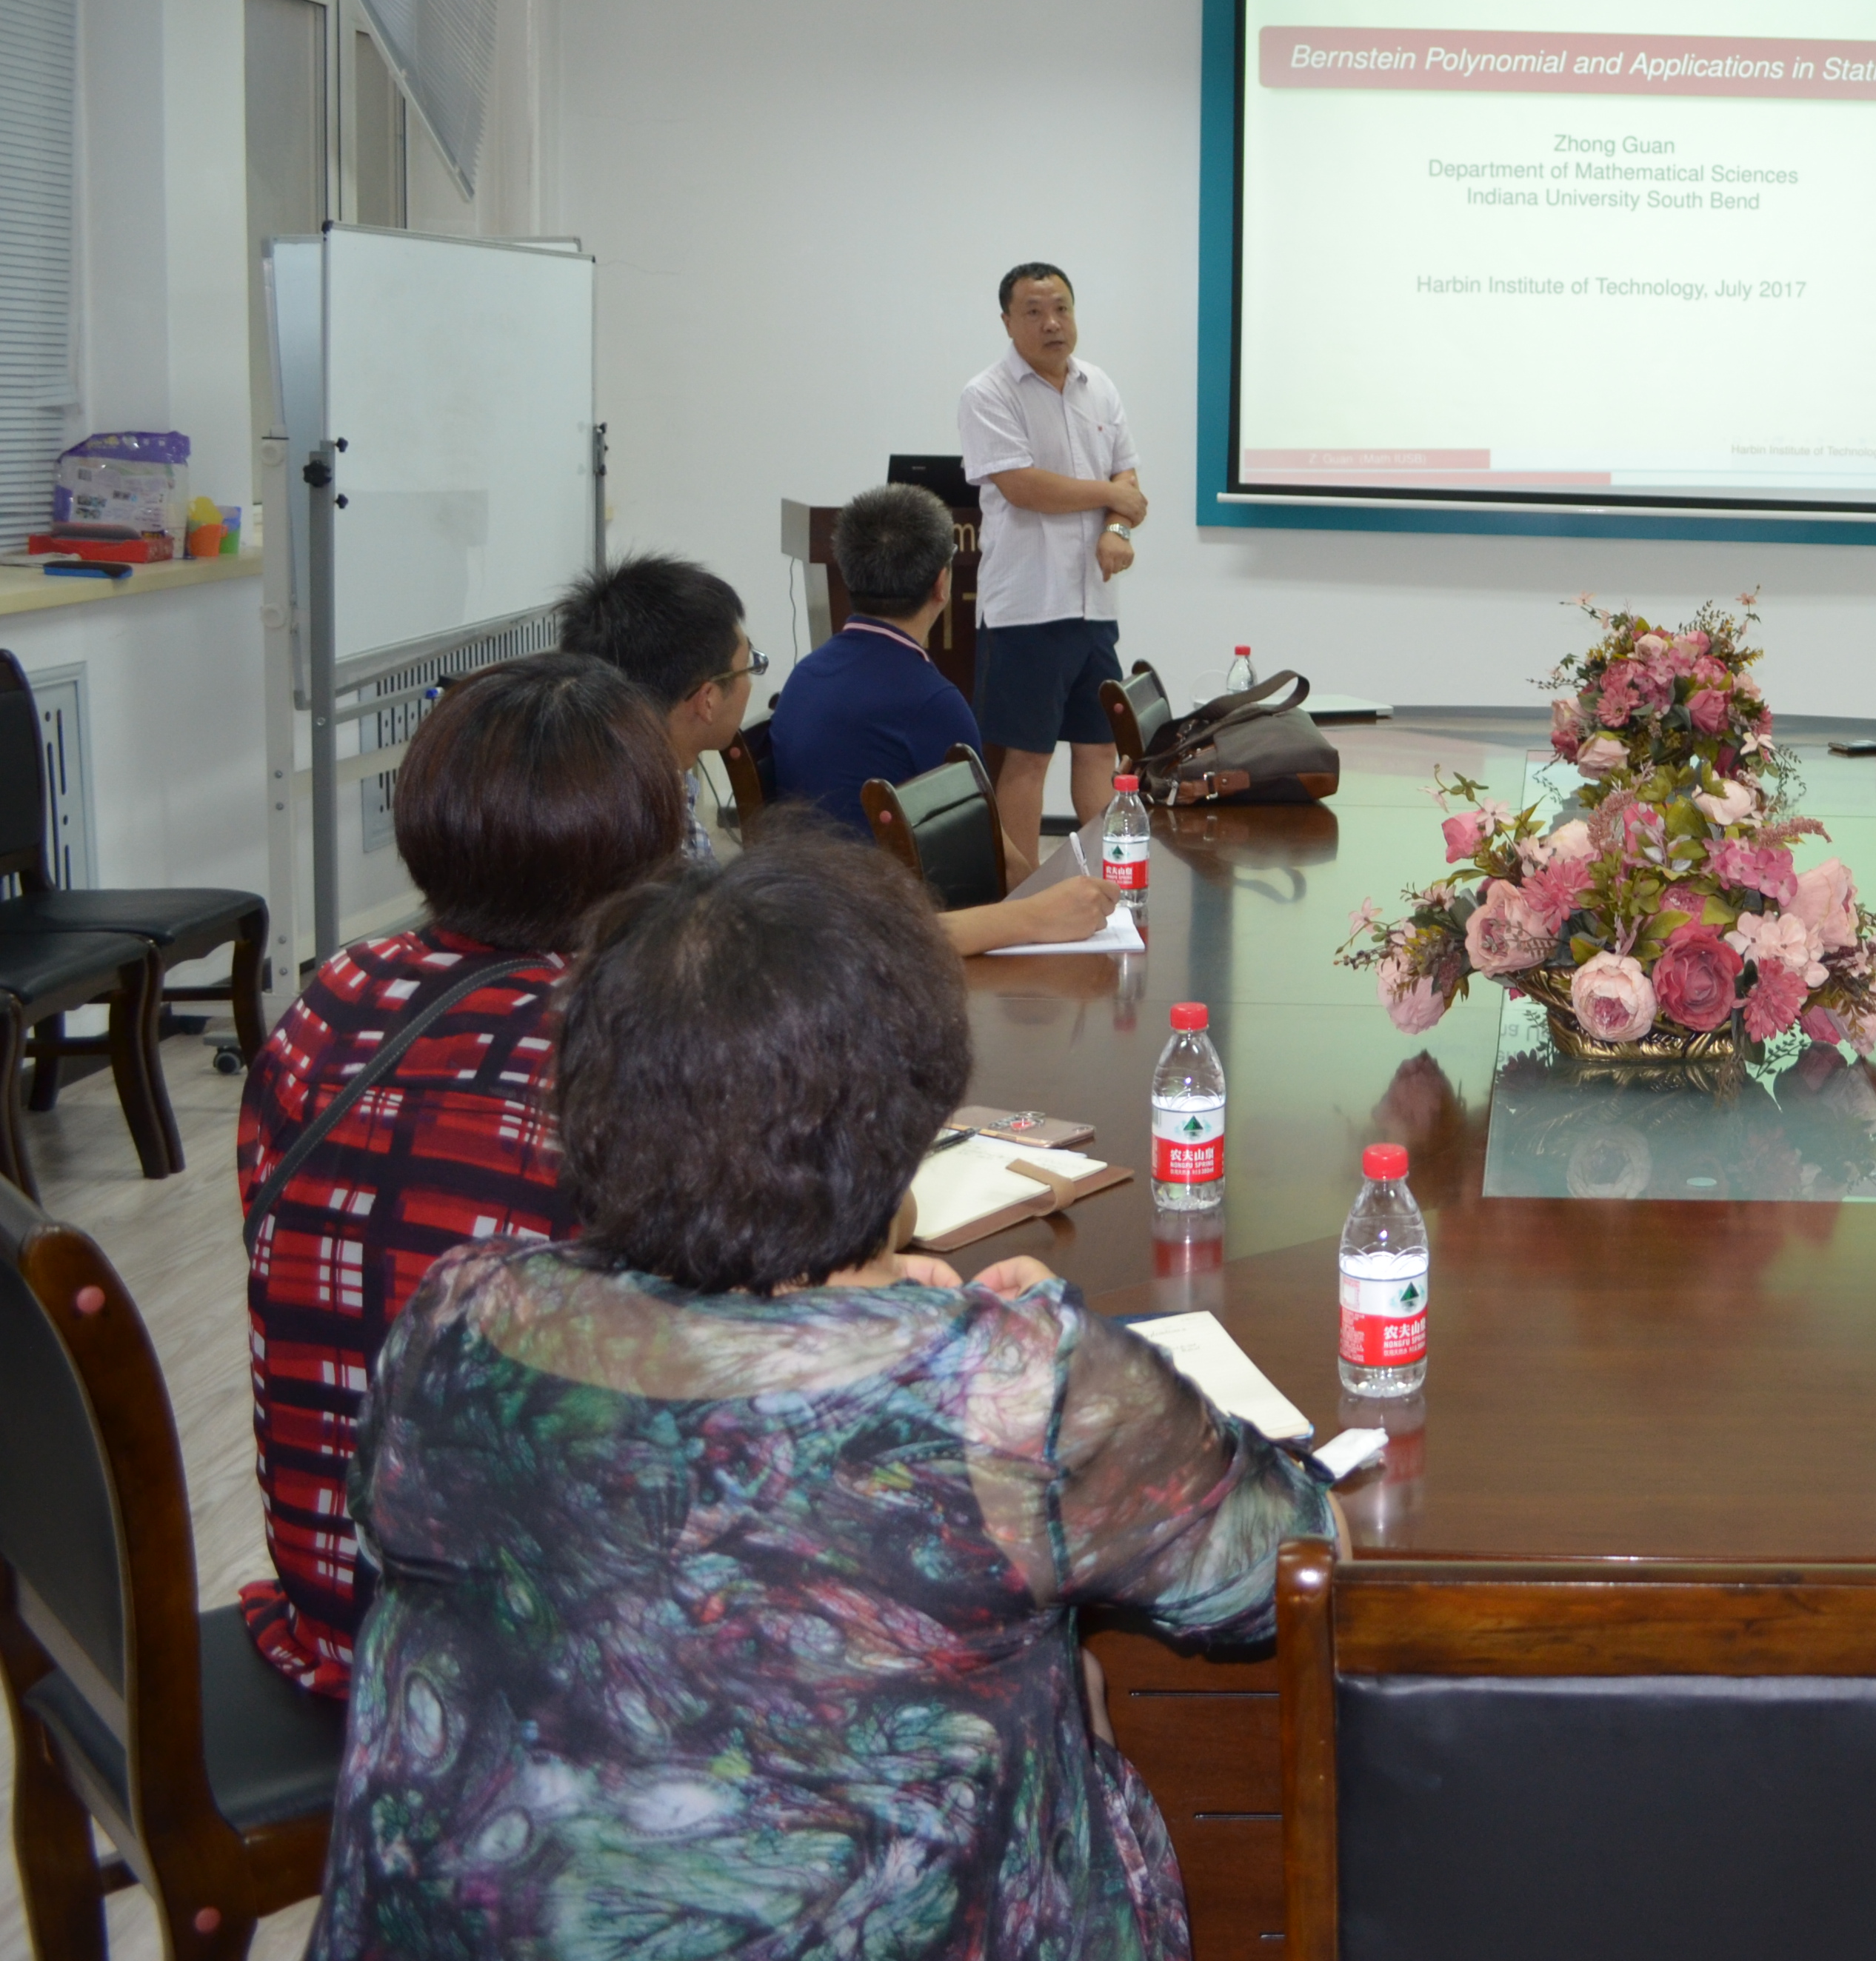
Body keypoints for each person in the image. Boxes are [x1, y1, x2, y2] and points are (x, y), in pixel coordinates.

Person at [307, 833, 1336, 1958]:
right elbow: (1288, 1563)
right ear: (912, 1115)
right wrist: (997, 1338)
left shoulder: (457, 1316)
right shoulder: (1010, 1382)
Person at [236, 653, 687, 1696]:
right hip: (533, 1676)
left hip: (337, 1605)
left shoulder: (329, 1001)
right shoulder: (617, 1045)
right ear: (648, 836)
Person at [769, 481, 1126, 955]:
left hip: (798, 912)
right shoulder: (932, 702)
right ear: (942, 583)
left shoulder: (805, 675)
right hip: (890, 930)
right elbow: (993, 862)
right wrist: (1050, 900)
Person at [964, 260, 1143, 875]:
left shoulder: (1100, 385)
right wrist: (1111, 496)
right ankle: (1023, 896)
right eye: (1034, 312)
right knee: (1028, 758)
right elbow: (1023, 487)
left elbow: (1127, 475)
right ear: (1007, 321)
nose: (1052, 323)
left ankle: (1105, 886)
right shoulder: (988, 393)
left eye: (1061, 308)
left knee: (1098, 749)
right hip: (1027, 608)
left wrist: (1118, 528)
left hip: (1094, 602)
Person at [556, 552, 761, 863]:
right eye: (748, 666)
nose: (750, 682)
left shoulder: (582, 781)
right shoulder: (655, 834)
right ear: (707, 700)